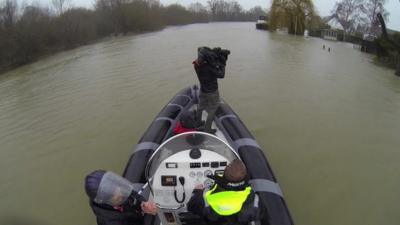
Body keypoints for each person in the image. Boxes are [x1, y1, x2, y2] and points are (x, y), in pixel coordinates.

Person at [187, 159, 262, 225]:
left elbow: (191, 207)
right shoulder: (255, 200)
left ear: (224, 175)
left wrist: (197, 191)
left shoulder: (204, 198)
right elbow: (259, 214)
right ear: (245, 177)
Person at [85, 170, 158, 225]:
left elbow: (133, 195)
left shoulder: (120, 191)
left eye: (116, 186)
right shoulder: (111, 221)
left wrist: (142, 203)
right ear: (105, 200)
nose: (121, 193)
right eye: (116, 196)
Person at [193, 47, 230, 134]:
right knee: (213, 109)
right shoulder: (210, 68)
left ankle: (198, 124)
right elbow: (221, 75)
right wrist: (223, 63)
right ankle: (207, 129)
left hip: (203, 90)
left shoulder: (196, 65)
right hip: (212, 91)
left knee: (200, 107)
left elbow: (201, 52)